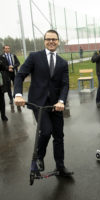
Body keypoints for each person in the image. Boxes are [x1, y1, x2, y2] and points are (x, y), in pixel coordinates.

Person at [14, 29, 73, 177]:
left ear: (58, 42)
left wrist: (61, 101)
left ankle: (60, 167)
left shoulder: (62, 62)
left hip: (56, 105)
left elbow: (65, 84)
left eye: (54, 39)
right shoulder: (35, 57)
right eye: (48, 39)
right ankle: (39, 157)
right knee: (46, 131)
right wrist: (18, 95)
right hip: (38, 103)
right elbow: (20, 75)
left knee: (59, 136)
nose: (51, 41)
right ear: (44, 41)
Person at [0, 56, 10, 121]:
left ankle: (3, 116)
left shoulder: (1, 58)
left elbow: (4, 67)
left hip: (0, 86)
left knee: (2, 102)